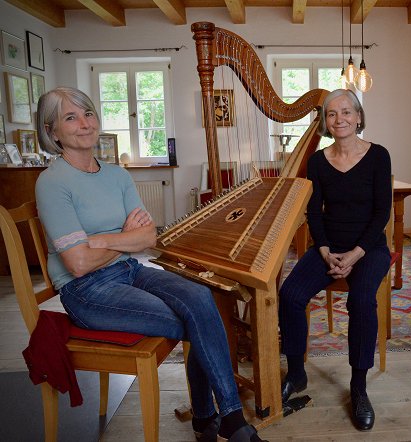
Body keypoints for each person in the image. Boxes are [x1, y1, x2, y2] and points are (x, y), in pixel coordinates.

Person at [35, 87, 264, 442]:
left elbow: (149, 238)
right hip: (88, 291)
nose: (84, 124)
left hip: (131, 271)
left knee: (200, 298)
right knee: (196, 319)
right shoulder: (52, 182)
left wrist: (105, 239)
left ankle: (216, 417)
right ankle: (223, 420)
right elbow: (79, 264)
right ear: (52, 132)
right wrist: (126, 236)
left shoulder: (117, 175)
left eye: (88, 114)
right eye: (71, 117)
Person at [278, 89, 392, 431]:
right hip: (329, 247)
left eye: (346, 112)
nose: (339, 118)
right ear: (325, 122)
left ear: (358, 117)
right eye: (331, 114)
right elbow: (314, 212)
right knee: (290, 295)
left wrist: (355, 255)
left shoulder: (378, 156)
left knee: (360, 299)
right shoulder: (317, 161)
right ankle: (296, 374)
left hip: (369, 248)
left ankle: (358, 387)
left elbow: (381, 213)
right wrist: (326, 250)